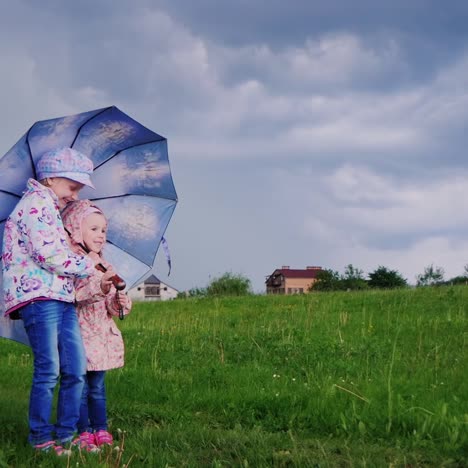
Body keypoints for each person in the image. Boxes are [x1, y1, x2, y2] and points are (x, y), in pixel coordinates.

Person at [1, 147, 99, 455]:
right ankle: (41, 439)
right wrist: (87, 264)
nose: (74, 195)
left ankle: (67, 435)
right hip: (39, 297)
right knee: (50, 369)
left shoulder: (50, 209)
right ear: (52, 178)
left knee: (76, 368)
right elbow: (49, 254)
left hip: (61, 296)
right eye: (72, 187)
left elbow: (56, 253)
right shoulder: (34, 205)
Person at [61, 199, 131, 451]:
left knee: (97, 387)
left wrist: (119, 301)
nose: (100, 235)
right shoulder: (72, 263)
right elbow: (76, 295)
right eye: (93, 229)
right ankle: (83, 431)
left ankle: (100, 428)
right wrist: (99, 286)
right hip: (80, 333)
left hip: (100, 336)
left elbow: (111, 307)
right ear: (75, 231)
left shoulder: (105, 264)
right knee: (79, 386)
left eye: (103, 230)